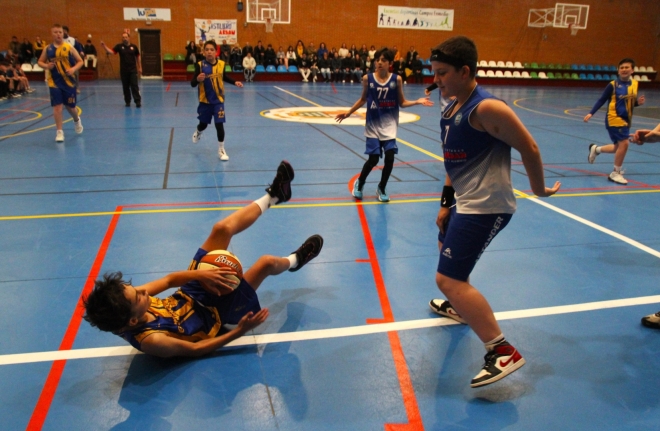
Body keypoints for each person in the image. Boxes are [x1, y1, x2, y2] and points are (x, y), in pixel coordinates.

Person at [83, 161, 325, 358]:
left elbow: (170, 280)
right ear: (133, 320)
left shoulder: (129, 303)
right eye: (139, 296)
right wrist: (241, 331)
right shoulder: (152, 340)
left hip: (189, 295)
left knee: (221, 229)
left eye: (135, 289)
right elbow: (196, 349)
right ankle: (296, 260)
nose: (143, 291)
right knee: (266, 263)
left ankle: (275, 196)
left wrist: (201, 274)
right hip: (216, 315)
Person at [427, 36, 560, 387]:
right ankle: (461, 307)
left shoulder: (486, 109)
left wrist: (539, 190)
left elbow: (530, 148)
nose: (435, 80)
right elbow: (453, 160)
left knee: (447, 279)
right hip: (465, 200)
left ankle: (502, 351)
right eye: (434, 72)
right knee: (445, 245)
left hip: (486, 206)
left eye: (442, 73)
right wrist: (446, 202)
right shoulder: (452, 107)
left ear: (465, 71)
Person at [335, 48, 433, 202]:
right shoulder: (367, 79)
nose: (379, 62)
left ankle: (381, 187)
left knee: (390, 158)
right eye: (377, 60)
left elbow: (402, 102)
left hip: (389, 126)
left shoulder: (397, 79)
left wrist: (417, 101)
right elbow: (363, 99)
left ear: (390, 63)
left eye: (383, 60)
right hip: (373, 125)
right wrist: (348, 113)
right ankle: (360, 183)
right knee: (373, 159)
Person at [584, 58, 645, 185]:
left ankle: (596, 149)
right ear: (618, 70)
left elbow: (628, 103)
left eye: (627, 67)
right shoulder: (613, 85)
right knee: (625, 144)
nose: (624, 70)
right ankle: (615, 173)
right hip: (614, 119)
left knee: (618, 147)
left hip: (626, 120)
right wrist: (591, 113)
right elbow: (601, 99)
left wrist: (637, 103)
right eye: (621, 67)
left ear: (632, 70)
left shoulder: (635, 84)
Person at [191, 40, 244, 161]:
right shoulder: (200, 65)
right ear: (204, 52)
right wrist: (197, 79)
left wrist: (235, 82)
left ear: (216, 52)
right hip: (205, 101)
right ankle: (198, 131)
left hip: (218, 101)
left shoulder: (221, 64)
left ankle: (221, 149)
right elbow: (192, 83)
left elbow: (224, 77)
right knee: (203, 124)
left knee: (219, 124)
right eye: (207, 50)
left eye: (212, 49)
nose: (209, 52)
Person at [37, 24, 83, 142]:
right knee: (57, 107)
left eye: (60, 32)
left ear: (63, 33)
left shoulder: (69, 47)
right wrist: (46, 66)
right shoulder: (48, 49)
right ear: (52, 34)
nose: (58, 34)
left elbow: (80, 61)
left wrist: (73, 69)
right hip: (54, 82)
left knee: (70, 107)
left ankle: (76, 119)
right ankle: (59, 132)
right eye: (56, 32)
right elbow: (40, 61)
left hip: (69, 82)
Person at [100, 32, 142, 107]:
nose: (124, 39)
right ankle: (127, 101)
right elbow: (111, 52)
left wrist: (140, 67)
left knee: (134, 86)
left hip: (133, 70)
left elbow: (138, 57)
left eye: (126, 37)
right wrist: (104, 46)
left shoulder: (134, 47)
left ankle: (137, 101)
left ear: (129, 38)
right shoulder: (119, 46)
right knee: (125, 87)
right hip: (124, 71)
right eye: (123, 37)